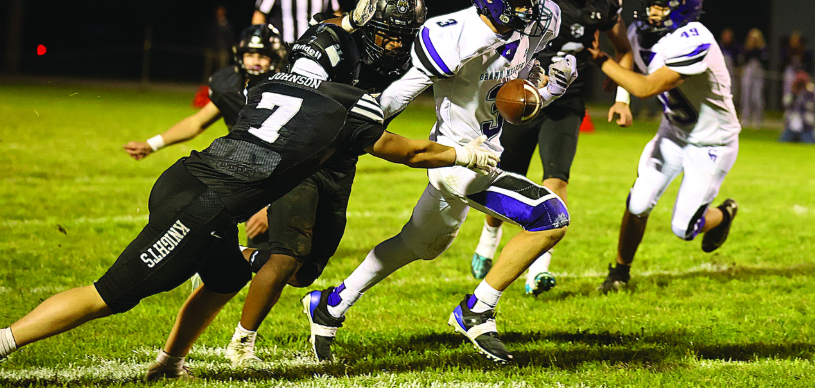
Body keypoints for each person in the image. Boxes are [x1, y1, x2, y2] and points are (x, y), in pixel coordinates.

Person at [0, 24, 501, 381]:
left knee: (226, 276)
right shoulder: (346, 105)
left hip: (188, 180)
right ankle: (6, 341)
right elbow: (411, 151)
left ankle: (171, 361)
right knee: (113, 293)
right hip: (204, 204)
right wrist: (466, 152)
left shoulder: (271, 82)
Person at [300, 0, 578, 365]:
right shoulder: (454, 35)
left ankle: (329, 306)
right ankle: (477, 311)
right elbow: (400, 93)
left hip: (488, 151)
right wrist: (351, 130)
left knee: (418, 244)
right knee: (549, 217)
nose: (533, 9)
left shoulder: (541, 21)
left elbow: (514, 100)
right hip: (457, 159)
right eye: (522, 0)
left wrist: (548, 90)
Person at [221, 0, 429, 365]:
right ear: (367, 21)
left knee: (305, 272)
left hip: (340, 163)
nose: (397, 44)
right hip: (300, 157)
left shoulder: (392, 55)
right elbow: (293, 112)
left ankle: (235, 255)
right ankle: (241, 343)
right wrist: (267, 190)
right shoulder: (326, 43)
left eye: (405, 35)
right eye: (389, 35)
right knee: (287, 255)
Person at [468, 0, 633, 296]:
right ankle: (488, 238)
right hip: (522, 98)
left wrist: (622, 97)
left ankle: (539, 269)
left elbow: (623, 49)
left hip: (567, 102)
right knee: (503, 178)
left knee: (556, 179)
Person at [586, 0, 741, 294]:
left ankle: (724, 215)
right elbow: (627, 60)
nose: (651, 12)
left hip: (712, 142)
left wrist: (600, 60)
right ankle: (620, 273)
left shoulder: (695, 40)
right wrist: (621, 97)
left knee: (684, 229)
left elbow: (647, 87)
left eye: (662, 6)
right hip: (674, 132)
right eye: (650, 4)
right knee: (638, 203)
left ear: (684, 7)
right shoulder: (641, 30)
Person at [124, 24, 289, 248]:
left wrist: (270, 205)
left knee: (285, 257)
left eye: (263, 55)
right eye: (250, 54)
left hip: (285, 173)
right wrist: (151, 145)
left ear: (276, 58)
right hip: (247, 171)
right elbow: (197, 122)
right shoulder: (229, 86)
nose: (256, 61)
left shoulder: (287, 89)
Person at [740, 27, 768, 128]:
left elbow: (765, 60)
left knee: (757, 97)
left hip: (758, 71)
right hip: (748, 71)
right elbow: (743, 60)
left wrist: (757, 48)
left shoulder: (762, 49)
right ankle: (745, 118)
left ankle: (758, 119)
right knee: (746, 95)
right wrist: (750, 48)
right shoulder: (746, 48)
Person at [779, 69, 815, 143]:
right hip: (792, 124)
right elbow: (786, 104)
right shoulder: (792, 94)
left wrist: (812, 91)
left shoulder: (810, 94)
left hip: (805, 126)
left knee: (809, 118)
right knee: (792, 117)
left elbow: (811, 107)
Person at [202, 4, 235, 82]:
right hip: (211, 49)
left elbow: (230, 38)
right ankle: (205, 85)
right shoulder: (212, 23)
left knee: (222, 69)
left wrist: (228, 48)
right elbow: (207, 35)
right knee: (208, 70)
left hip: (222, 49)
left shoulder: (227, 24)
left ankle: (221, 84)